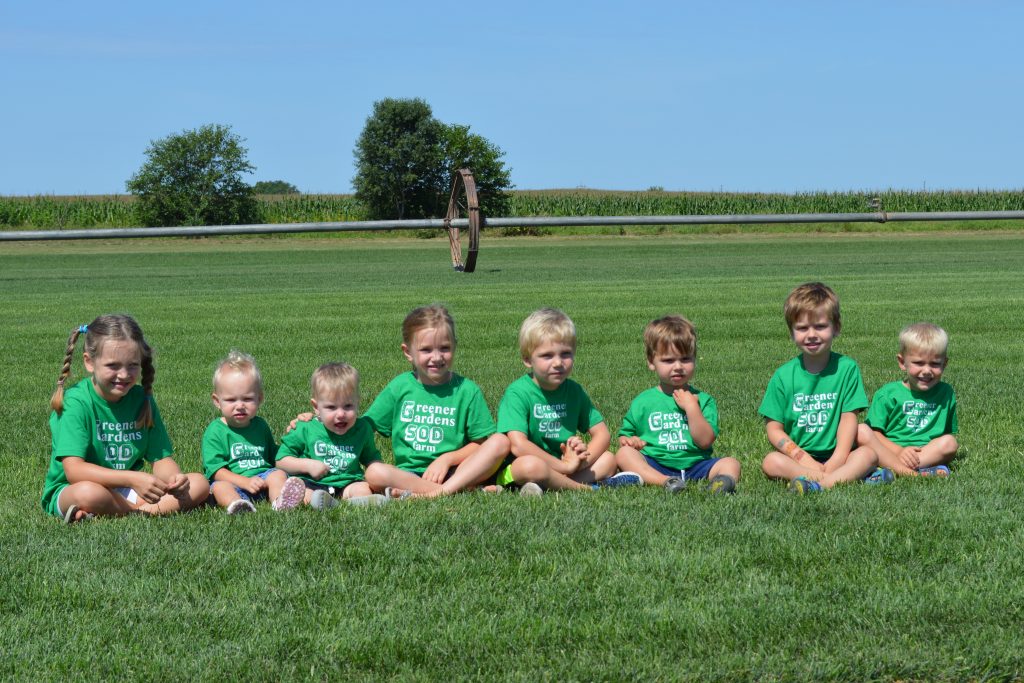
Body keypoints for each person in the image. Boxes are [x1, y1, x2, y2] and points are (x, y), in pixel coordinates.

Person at [41, 314, 209, 523]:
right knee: (89, 493)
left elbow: (160, 459)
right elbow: (74, 470)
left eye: (132, 365)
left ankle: (110, 511)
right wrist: (133, 478)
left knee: (199, 483)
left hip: (126, 490)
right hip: (73, 488)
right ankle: (141, 513)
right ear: (89, 362)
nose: (124, 374)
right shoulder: (76, 402)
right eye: (113, 366)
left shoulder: (141, 399)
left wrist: (175, 480)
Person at [360, 305, 510, 497]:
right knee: (374, 473)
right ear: (408, 352)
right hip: (409, 474)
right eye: (426, 350)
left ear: (454, 345)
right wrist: (319, 420)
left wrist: (447, 458)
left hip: (456, 472)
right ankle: (455, 491)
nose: (437, 357)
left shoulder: (467, 390)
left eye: (445, 348)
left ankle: (432, 494)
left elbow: (480, 443)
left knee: (500, 442)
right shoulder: (400, 387)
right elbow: (363, 427)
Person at [495, 308, 641, 494]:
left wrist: (578, 461)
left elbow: (602, 434)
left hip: (565, 464)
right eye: (547, 356)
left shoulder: (573, 390)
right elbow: (518, 445)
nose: (558, 362)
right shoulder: (518, 392)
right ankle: (586, 489)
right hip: (522, 465)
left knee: (608, 459)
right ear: (527, 359)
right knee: (531, 466)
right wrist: (563, 466)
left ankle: (551, 484)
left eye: (565, 354)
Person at [759, 283, 886, 493]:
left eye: (820, 326)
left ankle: (820, 484)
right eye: (801, 328)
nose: (811, 335)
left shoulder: (847, 368)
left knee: (868, 455)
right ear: (791, 332)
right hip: (799, 456)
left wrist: (838, 457)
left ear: (836, 328)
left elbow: (848, 418)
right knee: (771, 462)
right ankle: (838, 479)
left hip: (840, 453)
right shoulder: (783, 376)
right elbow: (774, 429)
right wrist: (804, 459)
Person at [615, 315, 740, 494]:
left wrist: (691, 407)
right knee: (623, 454)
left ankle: (720, 484)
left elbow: (704, 442)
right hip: (656, 463)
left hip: (697, 464)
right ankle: (666, 481)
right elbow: (625, 437)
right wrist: (630, 441)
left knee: (731, 463)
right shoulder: (643, 401)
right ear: (651, 362)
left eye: (685, 359)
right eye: (668, 360)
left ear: (695, 359)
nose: (678, 366)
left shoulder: (703, 400)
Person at [278, 362, 403, 507]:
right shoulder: (305, 428)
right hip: (312, 482)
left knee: (362, 489)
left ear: (357, 403)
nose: (341, 414)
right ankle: (322, 501)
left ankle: (353, 502)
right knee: (304, 495)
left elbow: (371, 459)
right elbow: (281, 460)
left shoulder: (362, 429)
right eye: (331, 407)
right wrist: (308, 465)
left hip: (348, 482)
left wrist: (383, 475)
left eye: (348, 406)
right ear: (316, 407)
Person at [202, 350, 306, 514]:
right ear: (217, 401)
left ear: (259, 399)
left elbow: (273, 455)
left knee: (277, 474)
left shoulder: (260, 425)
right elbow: (216, 471)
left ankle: (280, 501)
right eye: (231, 400)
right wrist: (244, 482)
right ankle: (238, 504)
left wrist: (295, 441)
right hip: (235, 483)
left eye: (247, 399)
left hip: (263, 478)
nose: (240, 405)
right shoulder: (215, 431)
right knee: (219, 487)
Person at [857, 322, 958, 476]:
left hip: (923, 454)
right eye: (918, 363)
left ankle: (891, 470)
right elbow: (875, 434)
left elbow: (945, 434)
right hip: (890, 450)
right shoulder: (888, 394)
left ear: (945, 364)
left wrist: (918, 455)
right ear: (902, 362)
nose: (927, 371)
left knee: (950, 443)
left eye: (935, 364)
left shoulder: (946, 393)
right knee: (861, 431)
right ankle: (912, 472)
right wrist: (899, 451)